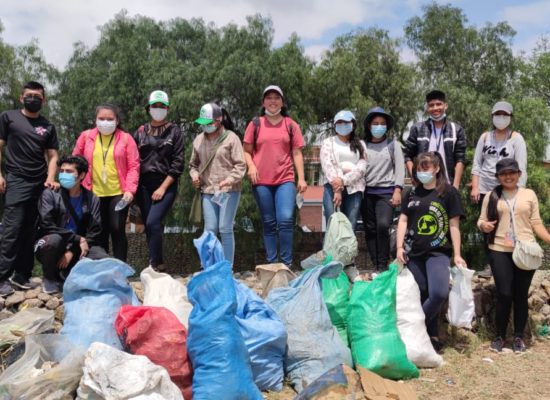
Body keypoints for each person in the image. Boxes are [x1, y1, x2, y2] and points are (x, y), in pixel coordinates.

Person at [477, 158, 550, 353]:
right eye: (503, 174)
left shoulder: (529, 194)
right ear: (498, 177)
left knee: (520, 295)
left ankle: (518, 337)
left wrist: (549, 239)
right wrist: (483, 226)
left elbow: (536, 223)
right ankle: (499, 336)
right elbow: (481, 220)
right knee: (504, 293)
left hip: (526, 250)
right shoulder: (492, 195)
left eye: (512, 172)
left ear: (519, 174)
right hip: (499, 248)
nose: (508, 176)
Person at [396, 151, 466, 351]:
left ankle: (413, 332)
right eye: (419, 169)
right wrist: (399, 247)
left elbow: (454, 226)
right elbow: (403, 220)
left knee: (438, 292)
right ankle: (431, 336)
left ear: (436, 169)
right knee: (422, 292)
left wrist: (458, 254)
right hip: (414, 253)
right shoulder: (410, 193)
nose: (422, 172)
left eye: (426, 168)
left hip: (438, 253)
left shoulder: (449, 192)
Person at [0, 81, 60, 296]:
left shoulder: (48, 126)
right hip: (16, 180)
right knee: (12, 230)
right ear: (21, 97)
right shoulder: (9, 118)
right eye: (29, 95)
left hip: (39, 184)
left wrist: (50, 178)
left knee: (30, 231)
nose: (33, 98)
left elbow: (53, 156)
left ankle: (21, 275)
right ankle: (2, 277)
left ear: (43, 100)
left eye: (37, 95)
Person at [243, 85, 307, 268]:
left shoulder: (290, 125)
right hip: (261, 181)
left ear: (282, 102)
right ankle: (272, 264)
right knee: (269, 222)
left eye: (276, 97)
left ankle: (286, 264)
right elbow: (246, 151)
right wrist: (251, 166)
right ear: (263, 102)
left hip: (285, 180)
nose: (273, 101)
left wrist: (301, 178)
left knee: (286, 219)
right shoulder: (255, 124)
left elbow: (297, 153)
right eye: (269, 97)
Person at [73, 103, 139, 262]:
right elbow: (75, 160)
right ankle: (100, 267)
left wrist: (130, 189)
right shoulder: (86, 136)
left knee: (117, 229)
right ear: (95, 120)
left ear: (117, 120)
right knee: (98, 231)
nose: (105, 122)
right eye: (101, 118)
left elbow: (134, 165)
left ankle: (120, 268)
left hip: (118, 193)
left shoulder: (126, 138)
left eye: (110, 119)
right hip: (92, 193)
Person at [35, 155, 108, 294]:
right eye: (61, 171)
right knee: (53, 241)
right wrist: (77, 239)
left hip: (78, 248)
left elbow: (95, 230)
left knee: (103, 258)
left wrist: (72, 250)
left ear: (81, 175)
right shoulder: (50, 194)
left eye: (69, 172)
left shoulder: (92, 198)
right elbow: (46, 224)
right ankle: (50, 278)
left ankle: (69, 275)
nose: (63, 175)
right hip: (52, 245)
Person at [133, 90, 184, 271]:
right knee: (150, 226)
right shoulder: (140, 132)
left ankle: (154, 264)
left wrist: (163, 187)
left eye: (162, 106)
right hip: (143, 185)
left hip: (166, 184)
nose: (158, 109)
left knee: (153, 222)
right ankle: (158, 262)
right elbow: (133, 160)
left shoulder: (175, 131)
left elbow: (178, 163)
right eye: (155, 106)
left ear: (167, 109)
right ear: (149, 108)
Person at [190, 103, 246, 265]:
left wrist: (229, 179)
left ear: (219, 120)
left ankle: (226, 267)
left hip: (228, 190)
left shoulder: (231, 138)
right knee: (210, 230)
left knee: (225, 228)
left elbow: (240, 165)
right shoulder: (198, 140)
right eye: (202, 123)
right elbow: (193, 165)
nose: (205, 126)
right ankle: (208, 266)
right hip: (208, 190)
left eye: (208, 123)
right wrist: (194, 176)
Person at [320, 110, 365, 279]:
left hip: (354, 189)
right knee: (333, 226)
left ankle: (349, 265)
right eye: (339, 122)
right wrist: (337, 188)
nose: (342, 126)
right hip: (332, 188)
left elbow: (361, 168)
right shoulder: (328, 142)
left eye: (346, 122)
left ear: (353, 124)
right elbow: (328, 165)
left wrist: (344, 181)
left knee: (350, 227)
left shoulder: (360, 144)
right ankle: (330, 264)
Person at [362, 107, 405, 271]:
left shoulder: (393, 145)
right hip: (366, 193)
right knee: (370, 229)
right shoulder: (362, 145)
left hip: (386, 192)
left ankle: (383, 262)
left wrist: (398, 190)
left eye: (382, 123)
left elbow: (400, 168)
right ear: (369, 126)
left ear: (386, 126)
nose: (378, 126)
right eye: (375, 123)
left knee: (383, 225)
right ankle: (376, 264)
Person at [403, 90, 466, 188]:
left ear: (446, 105)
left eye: (439, 104)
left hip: (448, 184)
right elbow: (408, 156)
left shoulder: (456, 129)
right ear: (427, 108)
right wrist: (414, 177)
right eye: (431, 105)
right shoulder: (417, 128)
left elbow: (460, 159)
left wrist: (456, 185)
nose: (435, 108)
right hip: (423, 185)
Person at [471, 101, 527, 203]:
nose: (501, 117)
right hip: (484, 190)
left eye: (505, 114)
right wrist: (475, 187)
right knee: (487, 218)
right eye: (498, 114)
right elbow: (477, 164)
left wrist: (520, 192)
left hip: (507, 190)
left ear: (511, 117)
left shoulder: (517, 138)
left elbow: (521, 168)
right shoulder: (485, 137)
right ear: (492, 116)